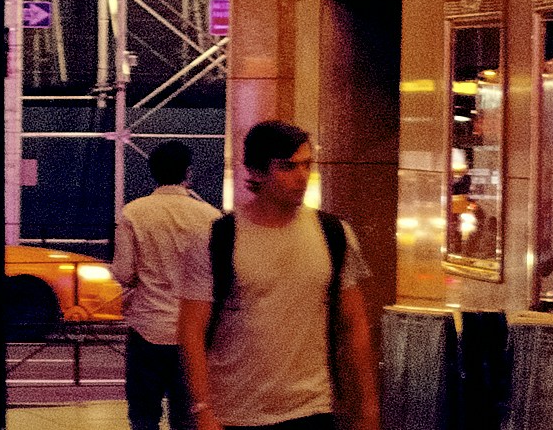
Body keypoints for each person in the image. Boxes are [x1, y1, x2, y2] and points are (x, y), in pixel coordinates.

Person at [175, 124, 375, 430]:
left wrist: (368, 406)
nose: (301, 176)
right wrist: (203, 409)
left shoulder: (334, 234)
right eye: (287, 166)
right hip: (236, 412)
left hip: (313, 407)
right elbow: (191, 329)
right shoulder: (217, 237)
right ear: (255, 171)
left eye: (307, 164)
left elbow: (355, 322)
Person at [113, 140, 219, 430]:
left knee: (144, 415)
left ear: (153, 172)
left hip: (147, 328)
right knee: (186, 416)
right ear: (188, 172)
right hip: (193, 334)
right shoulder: (210, 217)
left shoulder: (134, 212)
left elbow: (123, 272)